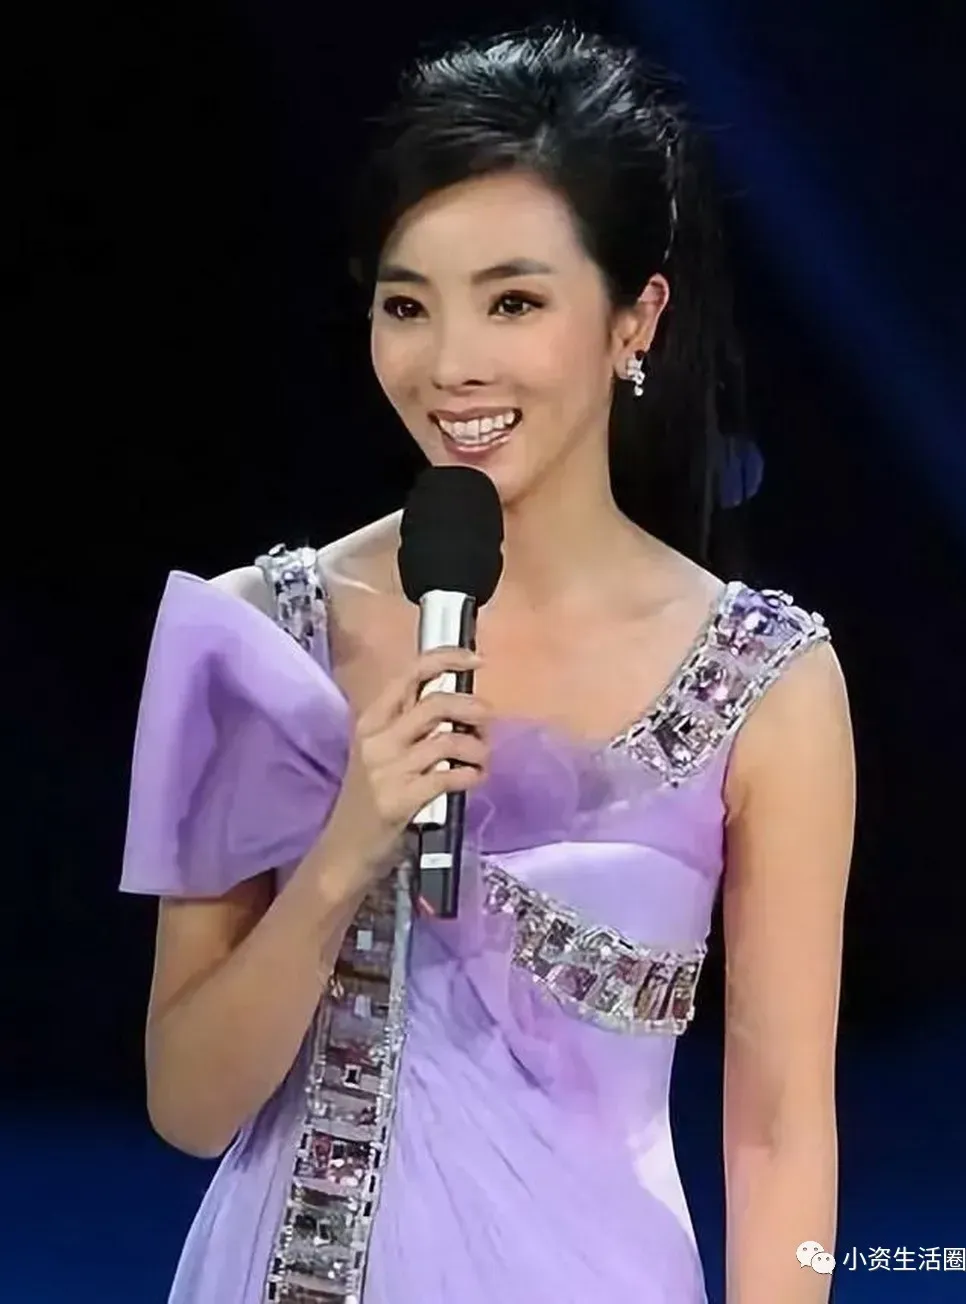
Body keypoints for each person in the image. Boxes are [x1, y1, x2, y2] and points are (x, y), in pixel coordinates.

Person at [121, 23, 855, 1304]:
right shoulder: (258, 635)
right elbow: (187, 1105)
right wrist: (344, 849)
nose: (451, 362)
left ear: (634, 318)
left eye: (513, 302)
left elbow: (781, 1129)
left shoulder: (764, 679)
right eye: (407, 305)